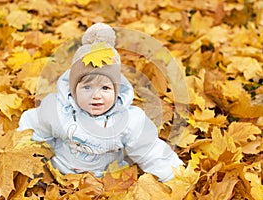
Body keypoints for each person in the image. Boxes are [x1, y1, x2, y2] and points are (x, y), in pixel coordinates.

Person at [18, 22, 183, 182]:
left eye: (105, 88)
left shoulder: (128, 121)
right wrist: (29, 158)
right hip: (59, 173)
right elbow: (33, 128)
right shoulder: (58, 110)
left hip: (107, 181)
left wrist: (173, 177)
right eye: (87, 88)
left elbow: (150, 150)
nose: (96, 96)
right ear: (73, 89)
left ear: (116, 90)